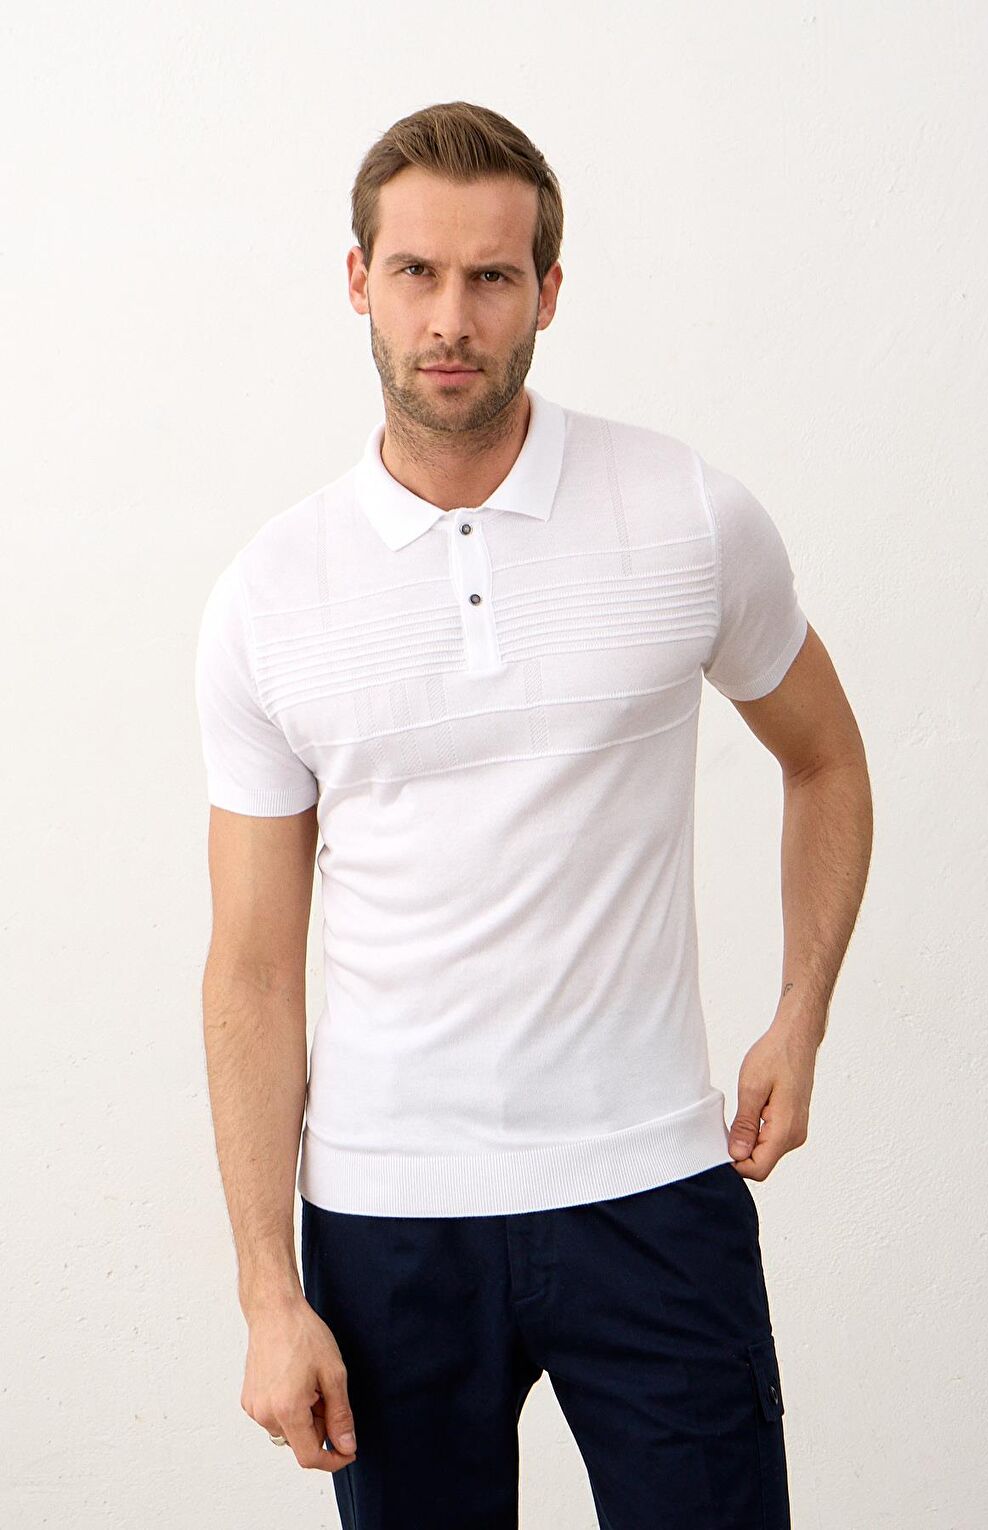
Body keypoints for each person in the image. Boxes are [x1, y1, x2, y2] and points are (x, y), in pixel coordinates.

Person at [194, 99, 872, 1530]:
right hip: (386, 1222)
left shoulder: (686, 515)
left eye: (491, 277)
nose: (451, 318)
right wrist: (267, 1290)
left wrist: (800, 1011)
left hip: (654, 1183)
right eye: (416, 272)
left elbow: (826, 760)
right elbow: (251, 967)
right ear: (360, 279)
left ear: (548, 292)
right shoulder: (271, 594)